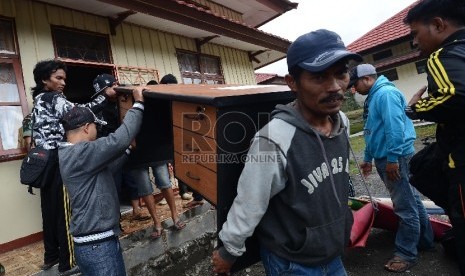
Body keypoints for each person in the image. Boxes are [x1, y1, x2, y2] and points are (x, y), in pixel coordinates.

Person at [212, 29, 361, 275]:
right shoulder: (274, 138)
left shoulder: (341, 121)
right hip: (292, 263)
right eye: (319, 77)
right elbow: (249, 202)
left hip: (333, 252)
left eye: (341, 73)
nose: (335, 87)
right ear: (292, 83)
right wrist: (228, 252)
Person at [31, 59, 116, 275]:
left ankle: (50, 256)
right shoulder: (53, 98)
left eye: (64, 79)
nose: (62, 83)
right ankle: (68, 262)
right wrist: (105, 96)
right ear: (44, 80)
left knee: (49, 210)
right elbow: (79, 112)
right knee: (65, 211)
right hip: (57, 160)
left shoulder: (38, 100)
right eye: (58, 78)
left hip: (42, 162)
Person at [349, 63, 434, 273]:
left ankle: (406, 253)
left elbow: (395, 127)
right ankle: (424, 241)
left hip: (395, 158)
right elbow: (372, 129)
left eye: (355, 84)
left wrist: (393, 159)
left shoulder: (385, 94)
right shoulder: (375, 95)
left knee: (404, 207)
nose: (354, 89)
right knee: (411, 200)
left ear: (367, 79)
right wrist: (368, 157)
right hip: (387, 156)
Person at [404, 1, 465, 274]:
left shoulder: (442, 55)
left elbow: (457, 96)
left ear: (439, 25)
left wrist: (415, 108)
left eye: (416, 34)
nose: (415, 42)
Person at [58, 87, 145, 275]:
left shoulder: (72, 154)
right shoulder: (80, 152)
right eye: (96, 126)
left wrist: (128, 150)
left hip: (93, 245)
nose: (97, 130)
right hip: (98, 247)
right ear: (86, 127)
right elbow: (117, 140)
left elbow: (108, 168)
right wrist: (137, 105)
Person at [158, 74, 193, 201]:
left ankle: (183, 191)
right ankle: (165, 195)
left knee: (179, 165)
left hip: (177, 138)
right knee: (163, 168)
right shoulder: (159, 100)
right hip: (162, 139)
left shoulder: (178, 99)